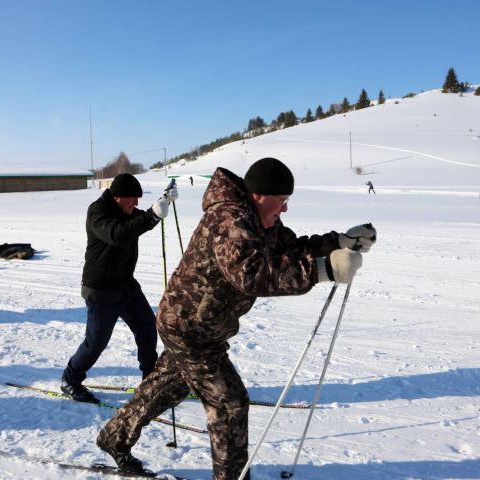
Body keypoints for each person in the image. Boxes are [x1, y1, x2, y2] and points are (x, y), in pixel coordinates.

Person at [96, 158, 376, 479]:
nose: (284, 209)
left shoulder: (255, 220)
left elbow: (290, 247)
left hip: (197, 323)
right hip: (192, 328)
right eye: (281, 201)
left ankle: (114, 438)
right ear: (259, 195)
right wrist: (325, 270)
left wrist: (339, 241)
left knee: (167, 388)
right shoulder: (231, 219)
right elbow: (252, 275)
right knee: (229, 404)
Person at [60, 173, 179, 403]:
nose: (136, 203)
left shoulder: (125, 211)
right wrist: (152, 216)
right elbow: (118, 234)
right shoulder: (98, 212)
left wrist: (163, 202)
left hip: (126, 285)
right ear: (118, 197)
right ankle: (70, 379)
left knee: (146, 326)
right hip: (101, 289)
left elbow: (141, 221)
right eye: (132, 199)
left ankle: (149, 378)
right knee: (95, 343)